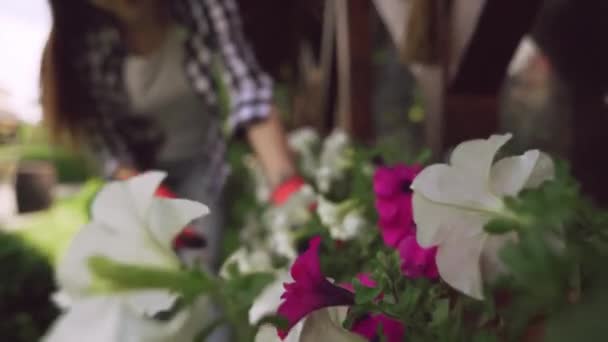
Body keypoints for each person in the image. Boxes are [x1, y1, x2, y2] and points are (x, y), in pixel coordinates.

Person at [40, 0, 301, 270]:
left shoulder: (203, 6)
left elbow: (246, 85)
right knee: (146, 271)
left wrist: (287, 187)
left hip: (202, 161)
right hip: (138, 171)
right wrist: (145, 192)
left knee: (201, 262)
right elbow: (104, 141)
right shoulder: (83, 42)